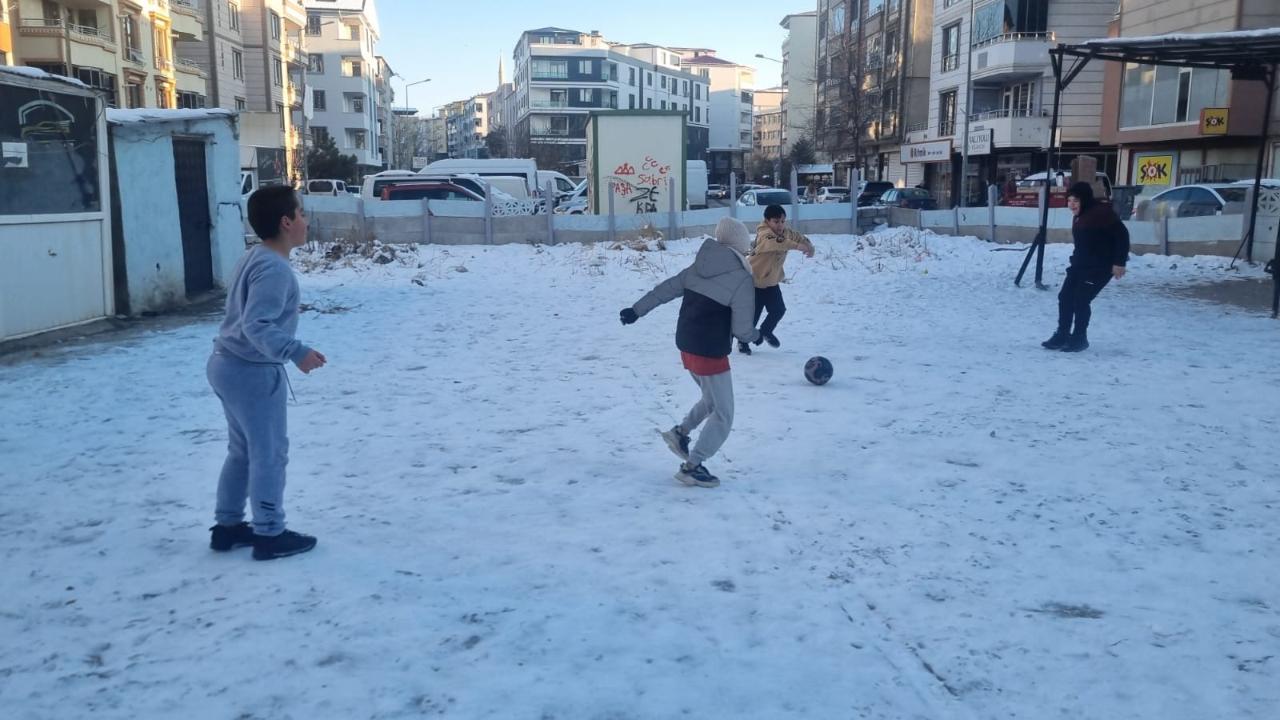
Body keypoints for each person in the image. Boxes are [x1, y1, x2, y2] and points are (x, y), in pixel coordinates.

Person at [207, 185, 327, 560]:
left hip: (227, 365)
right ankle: (269, 533)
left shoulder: (254, 256)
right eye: (301, 213)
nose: (307, 221)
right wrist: (295, 352)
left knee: (242, 451)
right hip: (251, 373)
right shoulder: (275, 270)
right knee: (270, 453)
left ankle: (227, 528)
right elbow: (256, 325)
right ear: (286, 222)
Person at [619, 217, 758, 488]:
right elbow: (743, 331)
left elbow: (665, 290)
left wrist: (636, 310)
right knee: (724, 413)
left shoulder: (700, 265)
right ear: (741, 243)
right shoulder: (741, 278)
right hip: (710, 351)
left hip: (687, 345)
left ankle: (680, 433)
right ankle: (692, 466)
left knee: (710, 399)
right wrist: (757, 335)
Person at [1042, 181, 1129, 353]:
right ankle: (1062, 334)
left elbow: (1122, 236)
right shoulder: (1080, 216)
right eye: (1069, 201)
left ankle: (1080, 338)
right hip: (1080, 265)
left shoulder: (1102, 213)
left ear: (1085, 200)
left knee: (1081, 300)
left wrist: (1119, 262)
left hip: (1100, 267)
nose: (1071, 205)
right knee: (1065, 296)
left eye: (1075, 201)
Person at [740, 204, 815, 355]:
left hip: (771, 282)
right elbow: (775, 243)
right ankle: (743, 342)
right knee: (753, 316)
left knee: (778, 310)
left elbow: (798, 236)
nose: (780, 225)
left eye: (782, 221)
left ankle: (765, 332)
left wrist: (809, 246)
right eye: (776, 221)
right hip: (754, 282)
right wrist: (797, 246)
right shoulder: (764, 234)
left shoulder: (785, 232)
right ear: (767, 221)